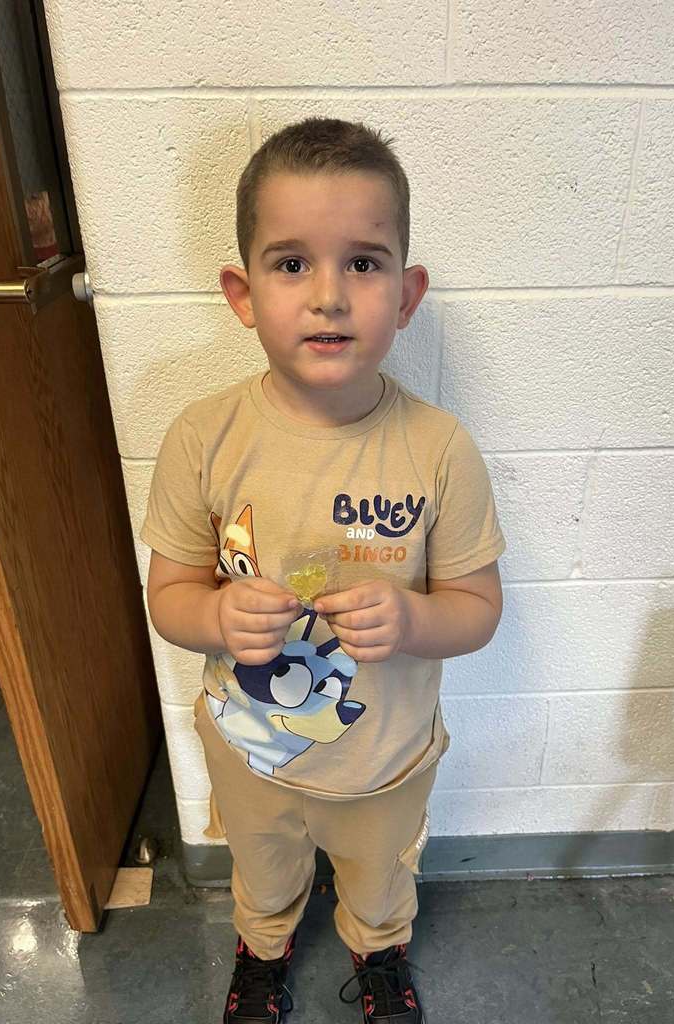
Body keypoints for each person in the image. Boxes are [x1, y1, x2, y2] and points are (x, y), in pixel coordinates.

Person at [141, 116, 506, 1024]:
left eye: (364, 263)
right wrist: (216, 618)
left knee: (380, 881)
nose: (330, 297)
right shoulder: (202, 437)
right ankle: (262, 951)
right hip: (251, 755)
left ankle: (378, 953)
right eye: (293, 263)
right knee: (263, 875)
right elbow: (169, 597)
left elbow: (477, 608)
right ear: (243, 293)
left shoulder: (439, 449)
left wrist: (414, 620)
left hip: (383, 763)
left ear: (407, 295)